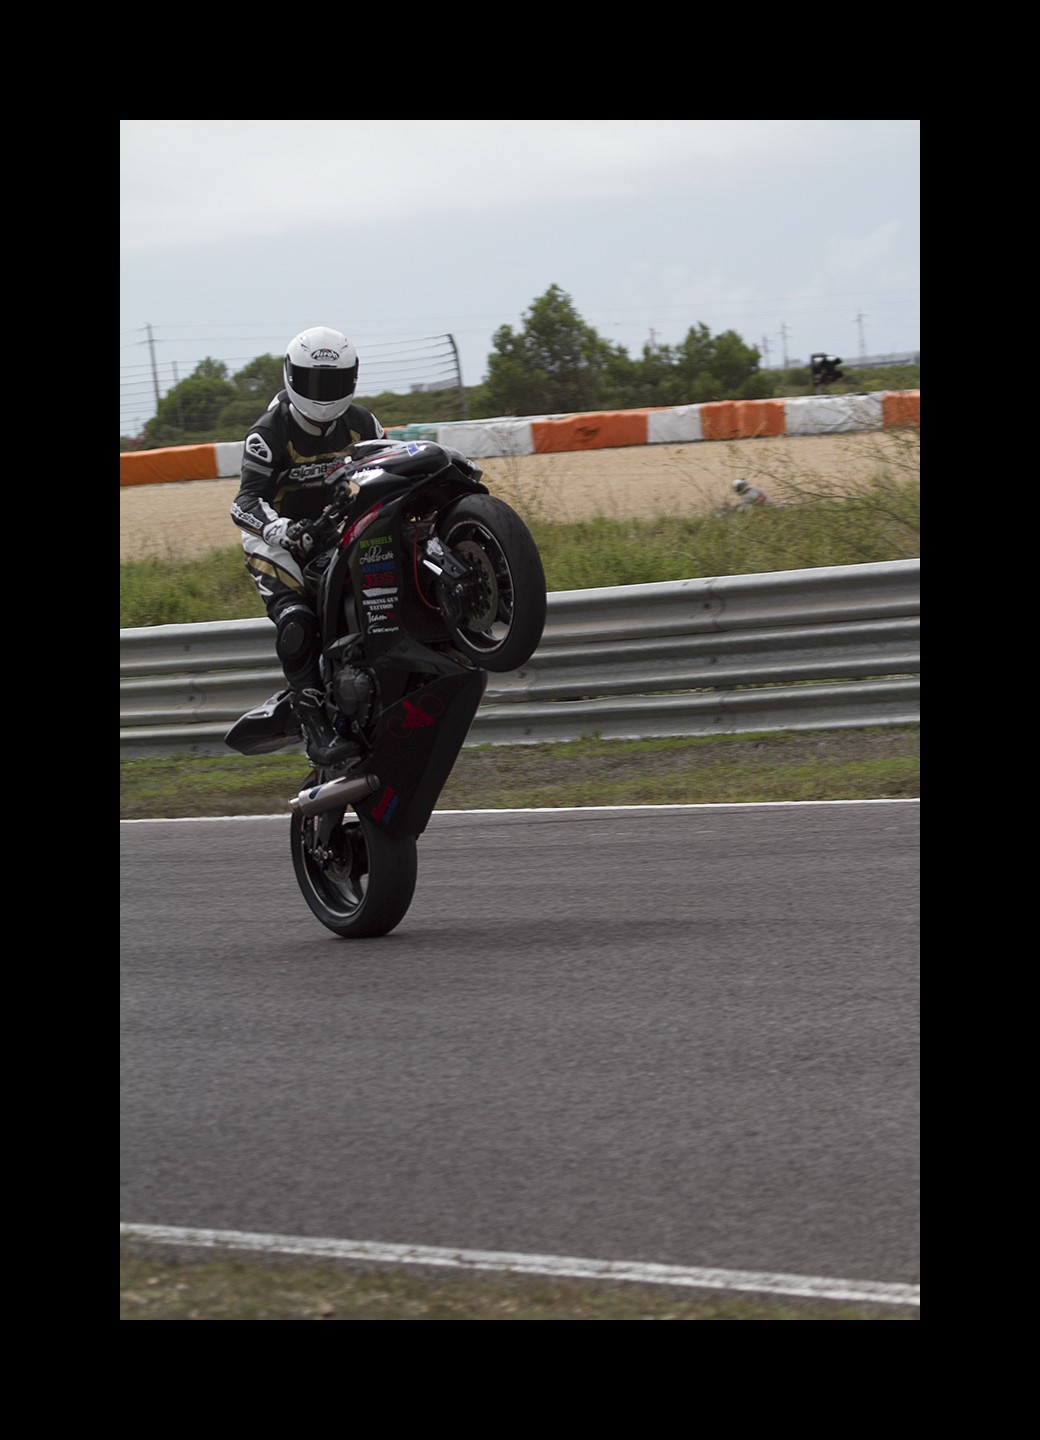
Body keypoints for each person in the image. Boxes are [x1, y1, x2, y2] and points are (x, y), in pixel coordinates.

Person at [231, 326, 387, 766]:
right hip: (276, 539)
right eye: (316, 383)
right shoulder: (268, 432)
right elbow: (243, 501)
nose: (325, 394)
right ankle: (312, 721)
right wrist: (278, 528)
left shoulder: (364, 423)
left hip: (333, 529)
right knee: (297, 622)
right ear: (292, 377)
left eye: (334, 383)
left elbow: (384, 469)